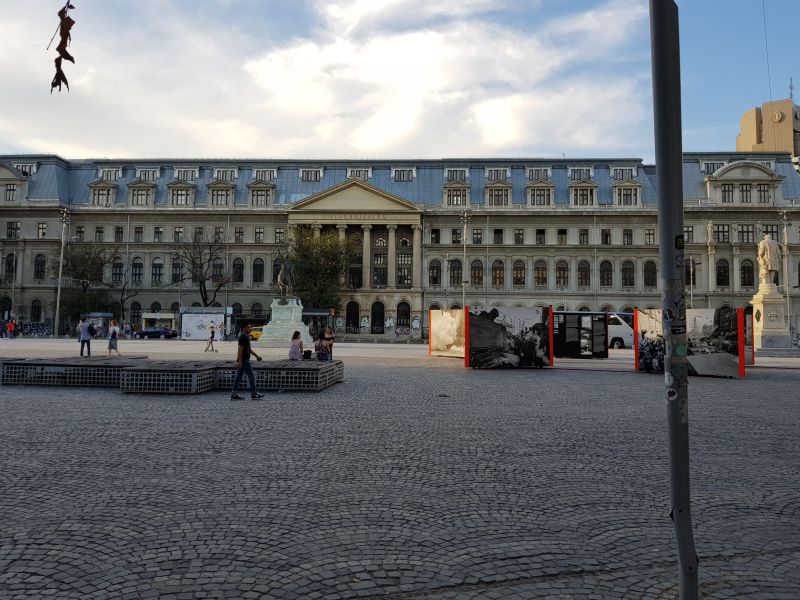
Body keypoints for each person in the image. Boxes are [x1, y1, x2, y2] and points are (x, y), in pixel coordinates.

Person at [230, 323, 264, 400]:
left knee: (238, 377)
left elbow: (249, 349)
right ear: (244, 328)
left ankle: (234, 393)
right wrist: (240, 361)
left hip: (243, 359)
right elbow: (240, 350)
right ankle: (254, 393)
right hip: (244, 360)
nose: (250, 329)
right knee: (251, 376)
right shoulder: (243, 336)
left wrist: (257, 356)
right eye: (248, 327)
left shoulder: (245, 336)